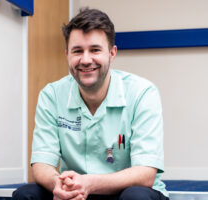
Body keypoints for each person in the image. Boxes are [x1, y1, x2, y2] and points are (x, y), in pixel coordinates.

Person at [13, 8, 169, 200]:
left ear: (112, 53)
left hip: (124, 191)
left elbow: (145, 174)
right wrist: (59, 185)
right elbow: (41, 164)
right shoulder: (52, 95)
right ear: (67, 55)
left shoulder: (142, 93)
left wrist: (89, 183)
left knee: (136, 197)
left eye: (95, 50)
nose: (86, 60)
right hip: (75, 193)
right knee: (26, 194)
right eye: (77, 51)